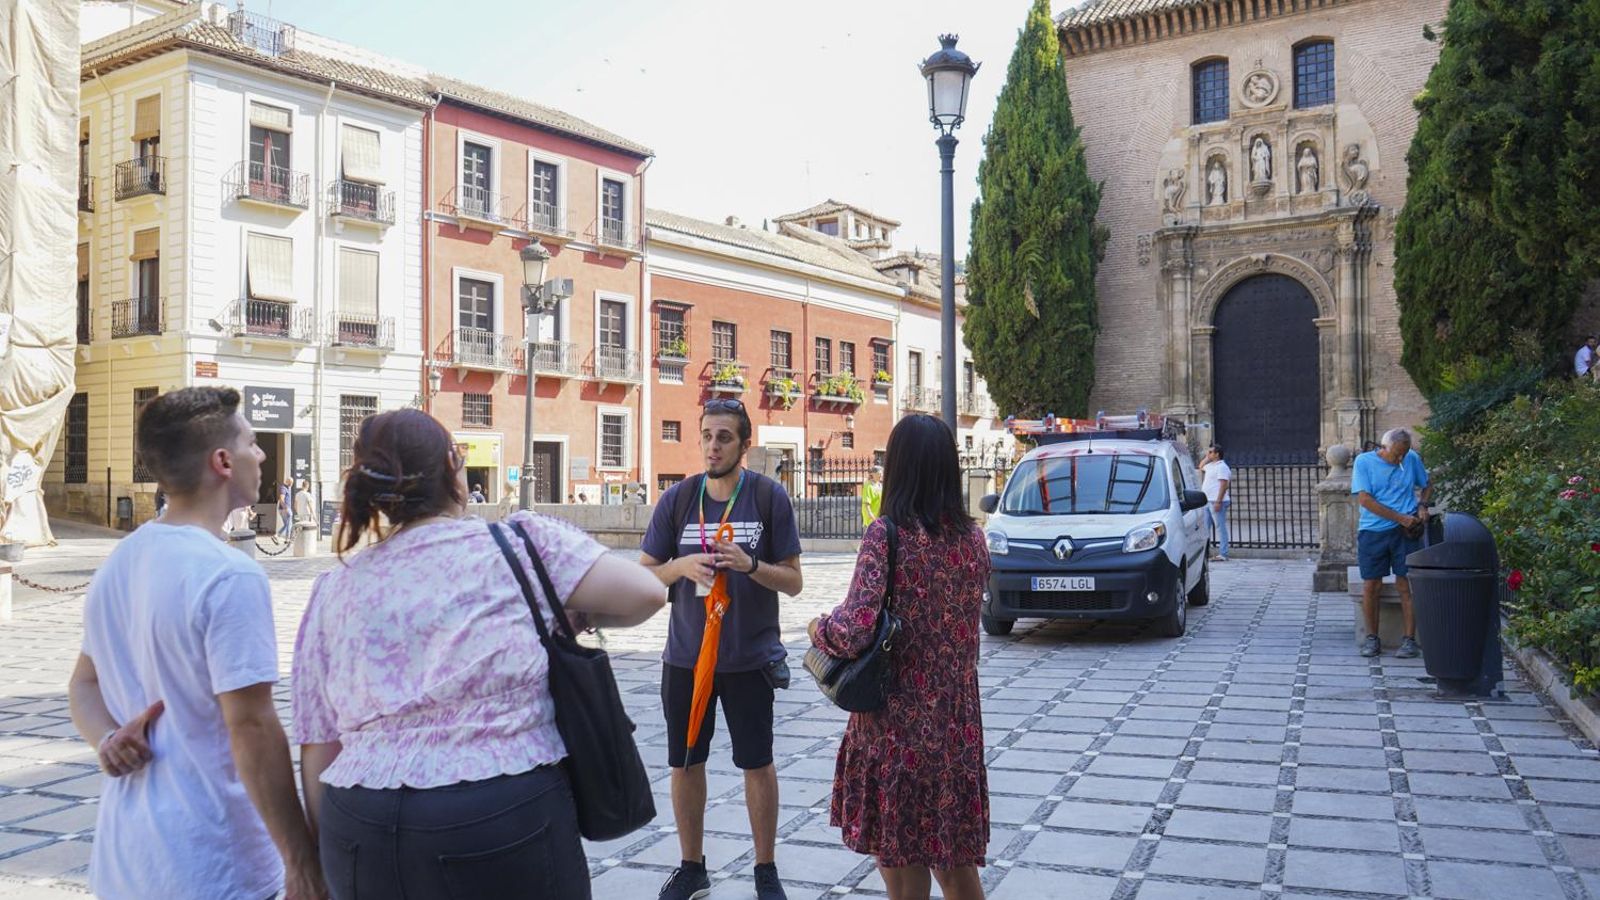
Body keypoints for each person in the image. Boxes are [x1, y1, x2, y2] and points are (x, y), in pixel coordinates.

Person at [291, 409, 666, 899]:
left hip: (359, 821)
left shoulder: (333, 588)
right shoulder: (517, 542)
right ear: (453, 467)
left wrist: (324, 857)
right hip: (498, 810)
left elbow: (318, 741)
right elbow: (647, 593)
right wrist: (565, 614)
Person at [66, 386, 326, 900]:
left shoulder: (119, 563)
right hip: (211, 862)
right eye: (253, 443)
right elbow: (251, 724)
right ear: (223, 460)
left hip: (125, 861)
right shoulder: (227, 576)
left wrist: (106, 741)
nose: (261, 455)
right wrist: (300, 861)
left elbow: (83, 684)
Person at [807, 414, 990, 900]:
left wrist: (816, 627)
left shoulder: (886, 535)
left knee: (905, 870)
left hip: (898, 729)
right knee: (956, 865)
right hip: (956, 727)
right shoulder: (974, 540)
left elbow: (852, 633)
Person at [640, 398, 804, 900]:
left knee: (757, 762)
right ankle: (692, 867)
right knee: (686, 763)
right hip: (687, 658)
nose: (713, 446)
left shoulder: (770, 498)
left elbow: (794, 581)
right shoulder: (679, 500)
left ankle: (765, 868)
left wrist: (752, 565)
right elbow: (643, 574)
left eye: (724, 437)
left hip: (749, 657)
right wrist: (680, 568)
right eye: (707, 435)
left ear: (744, 445)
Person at [1352, 428, 1431, 659]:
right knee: (1371, 584)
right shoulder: (1364, 463)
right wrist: (1399, 517)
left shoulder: (1410, 458)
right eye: (1396, 455)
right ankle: (1372, 638)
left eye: (1403, 455)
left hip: (1405, 532)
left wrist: (1422, 505)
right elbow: (1364, 499)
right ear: (1382, 448)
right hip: (1373, 531)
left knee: (1406, 583)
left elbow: (1426, 483)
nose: (1400, 460)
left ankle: (1408, 640)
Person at [1198, 445, 1232, 561]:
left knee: (1220, 527)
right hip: (1207, 501)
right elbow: (1200, 466)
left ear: (1217, 454)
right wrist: (1207, 458)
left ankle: (1223, 553)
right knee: (1205, 528)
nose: (1208, 453)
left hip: (1216, 501)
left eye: (1211, 452)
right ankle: (1205, 552)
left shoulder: (1222, 467)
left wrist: (1218, 501)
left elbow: (1224, 485)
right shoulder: (1210, 466)